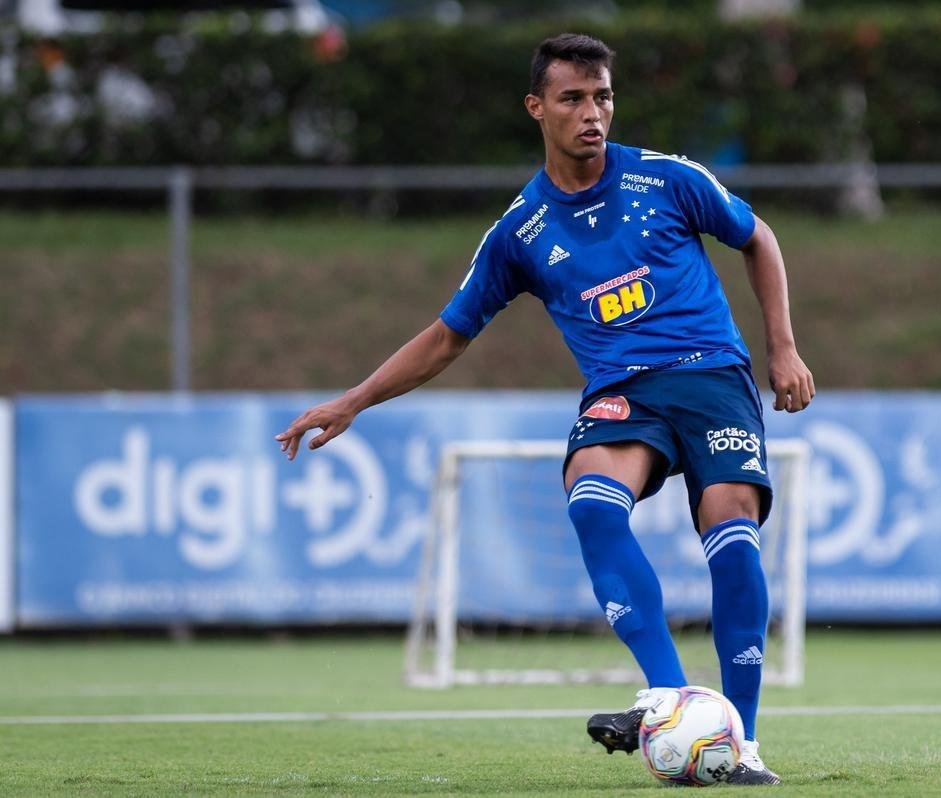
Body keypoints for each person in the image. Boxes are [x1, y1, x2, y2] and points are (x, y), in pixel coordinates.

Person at [275, 32, 814, 786]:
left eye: (602, 97)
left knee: (731, 529)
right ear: (537, 108)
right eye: (572, 99)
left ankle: (742, 742)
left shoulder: (667, 178)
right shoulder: (520, 232)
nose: (591, 113)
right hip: (623, 393)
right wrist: (354, 401)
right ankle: (666, 694)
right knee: (592, 500)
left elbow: (758, 237)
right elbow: (446, 336)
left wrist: (783, 349)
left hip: (711, 376)